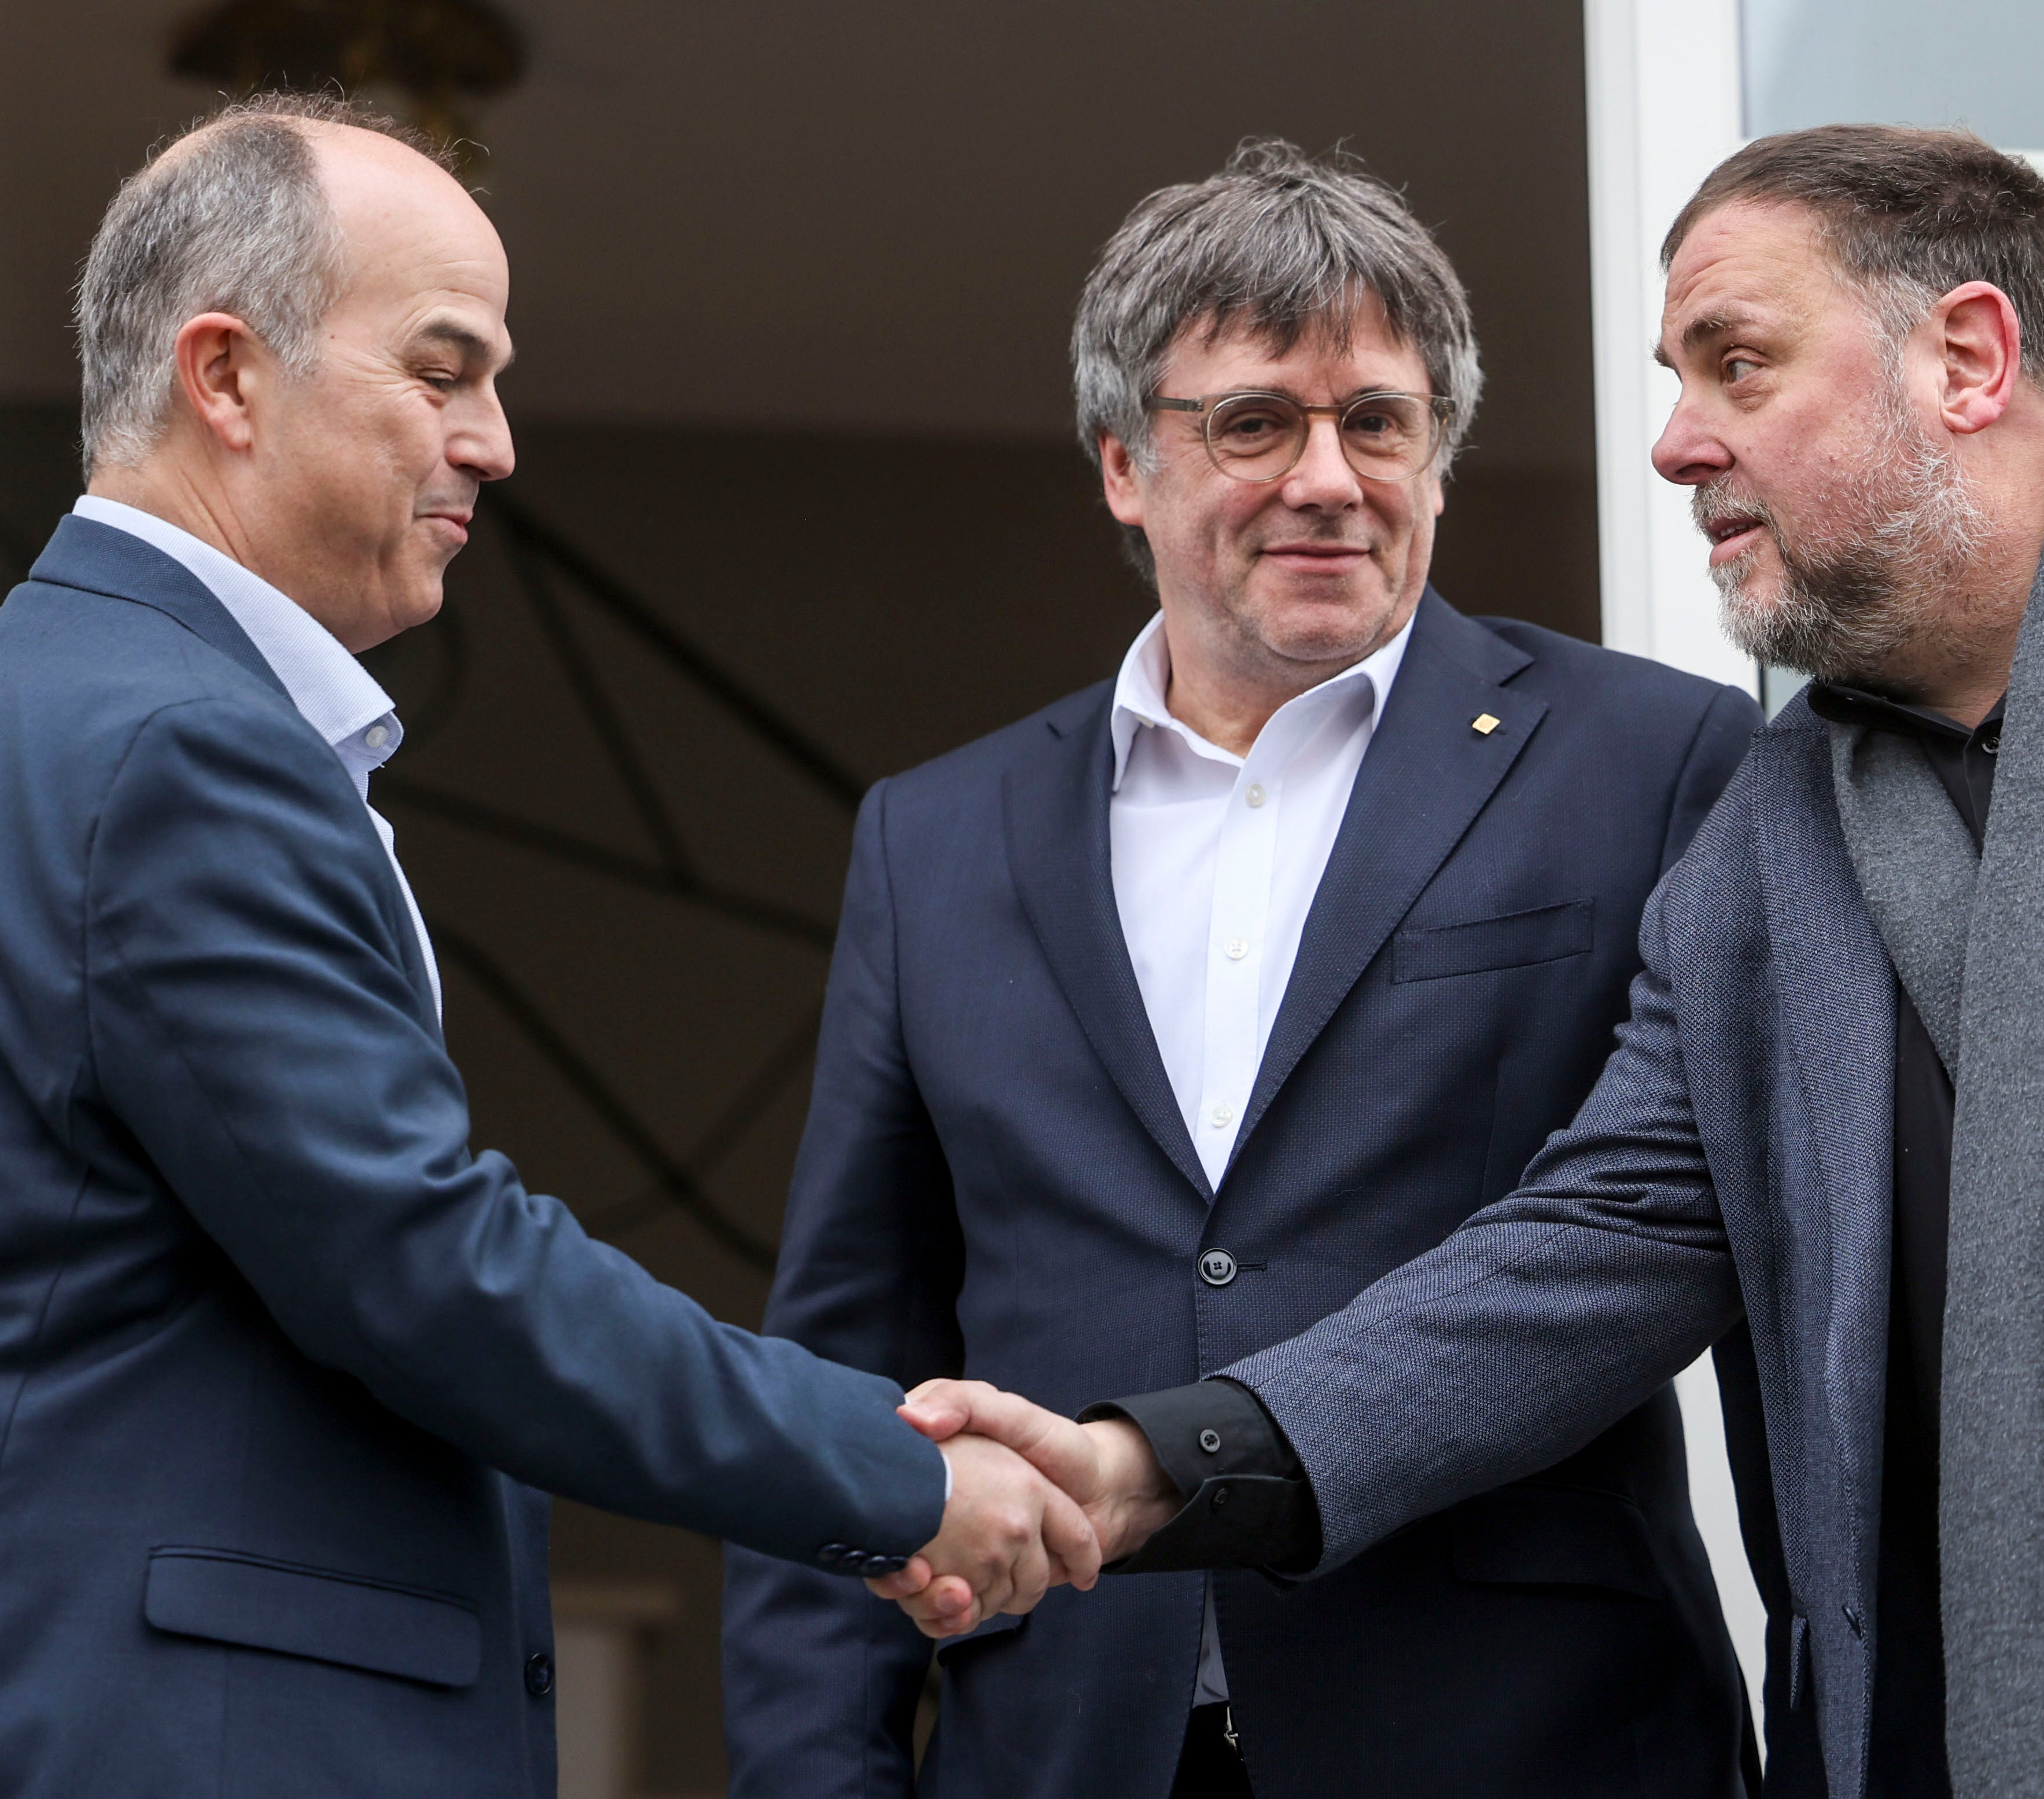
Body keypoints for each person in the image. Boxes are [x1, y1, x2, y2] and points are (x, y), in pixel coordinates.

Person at [887, 124, 2044, 1798]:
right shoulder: (1766, 852)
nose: (1673, 443)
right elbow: (1576, 1261)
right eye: (1677, 378)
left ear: (1967, 358)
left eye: (1737, 365)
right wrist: (1142, 1469)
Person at [0, 92, 1092, 1798]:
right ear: (226, 376)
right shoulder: (176, 746)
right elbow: (427, 1267)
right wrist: (900, 1476)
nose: (496, 443)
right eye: (443, 371)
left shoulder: (37, 708)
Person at [721, 139, 1762, 1799]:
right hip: (1064, 1740)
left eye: (1379, 422)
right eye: (1257, 422)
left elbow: (1710, 1261)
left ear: (1437, 456)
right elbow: (853, 1365)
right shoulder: (938, 837)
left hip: (1526, 1738)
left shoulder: (1655, 761)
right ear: (1124, 466)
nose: (1328, 478)